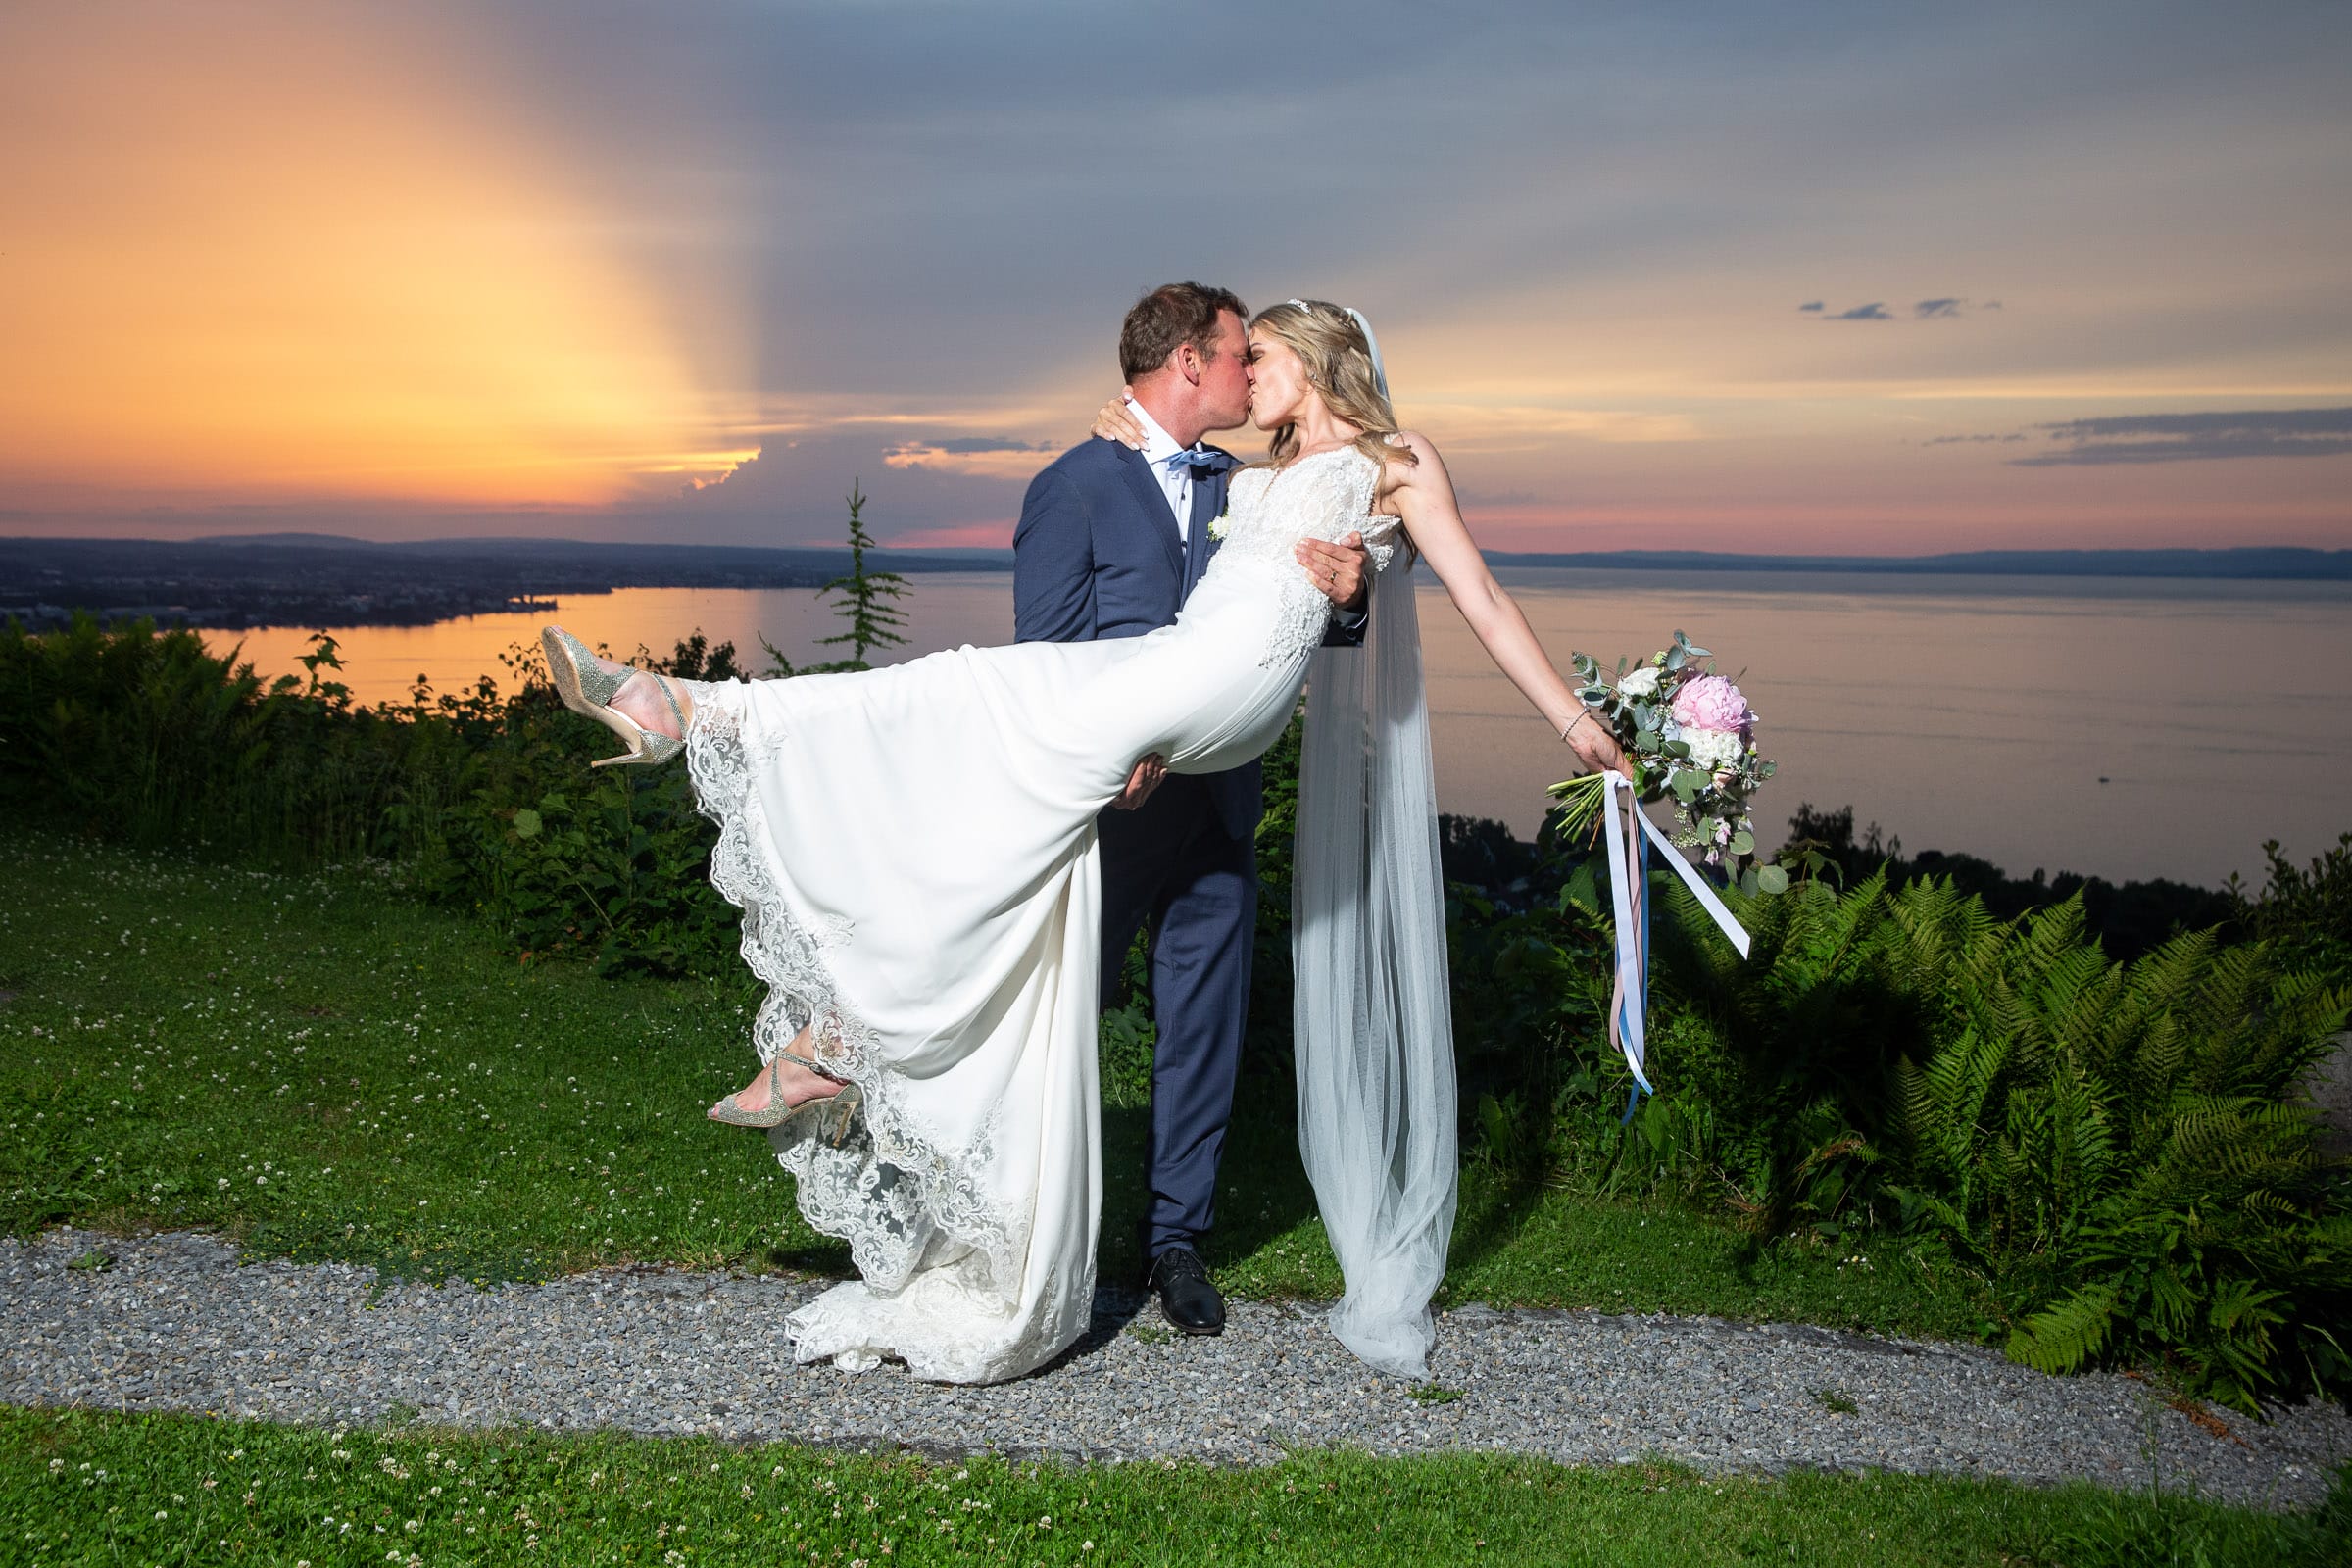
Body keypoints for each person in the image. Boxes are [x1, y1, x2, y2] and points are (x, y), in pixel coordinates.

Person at [541, 297, 1625, 1385]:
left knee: (981, 720)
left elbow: (1473, 592)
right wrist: (1140, 452)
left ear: (1319, 363)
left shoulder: (1395, 462)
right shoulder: (1218, 471)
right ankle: (699, 737)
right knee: (965, 697)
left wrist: (1568, 716)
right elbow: (1157, 563)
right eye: (1240, 361)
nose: (1247, 379)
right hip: (1163, 678)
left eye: (1265, 361)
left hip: (1213, 693)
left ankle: (824, 986)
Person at [1011, 282, 1372, 1340]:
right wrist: (1104, 755)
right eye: (1234, 355)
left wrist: (1352, 597)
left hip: (1219, 807)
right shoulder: (1071, 484)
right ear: (1185, 363)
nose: (1248, 373)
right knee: (1059, 1010)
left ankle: (1178, 1238)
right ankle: (1038, 1222)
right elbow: (1047, 652)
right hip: (1111, 813)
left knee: (1203, 1027)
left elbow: (1299, 607)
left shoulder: (1250, 483)